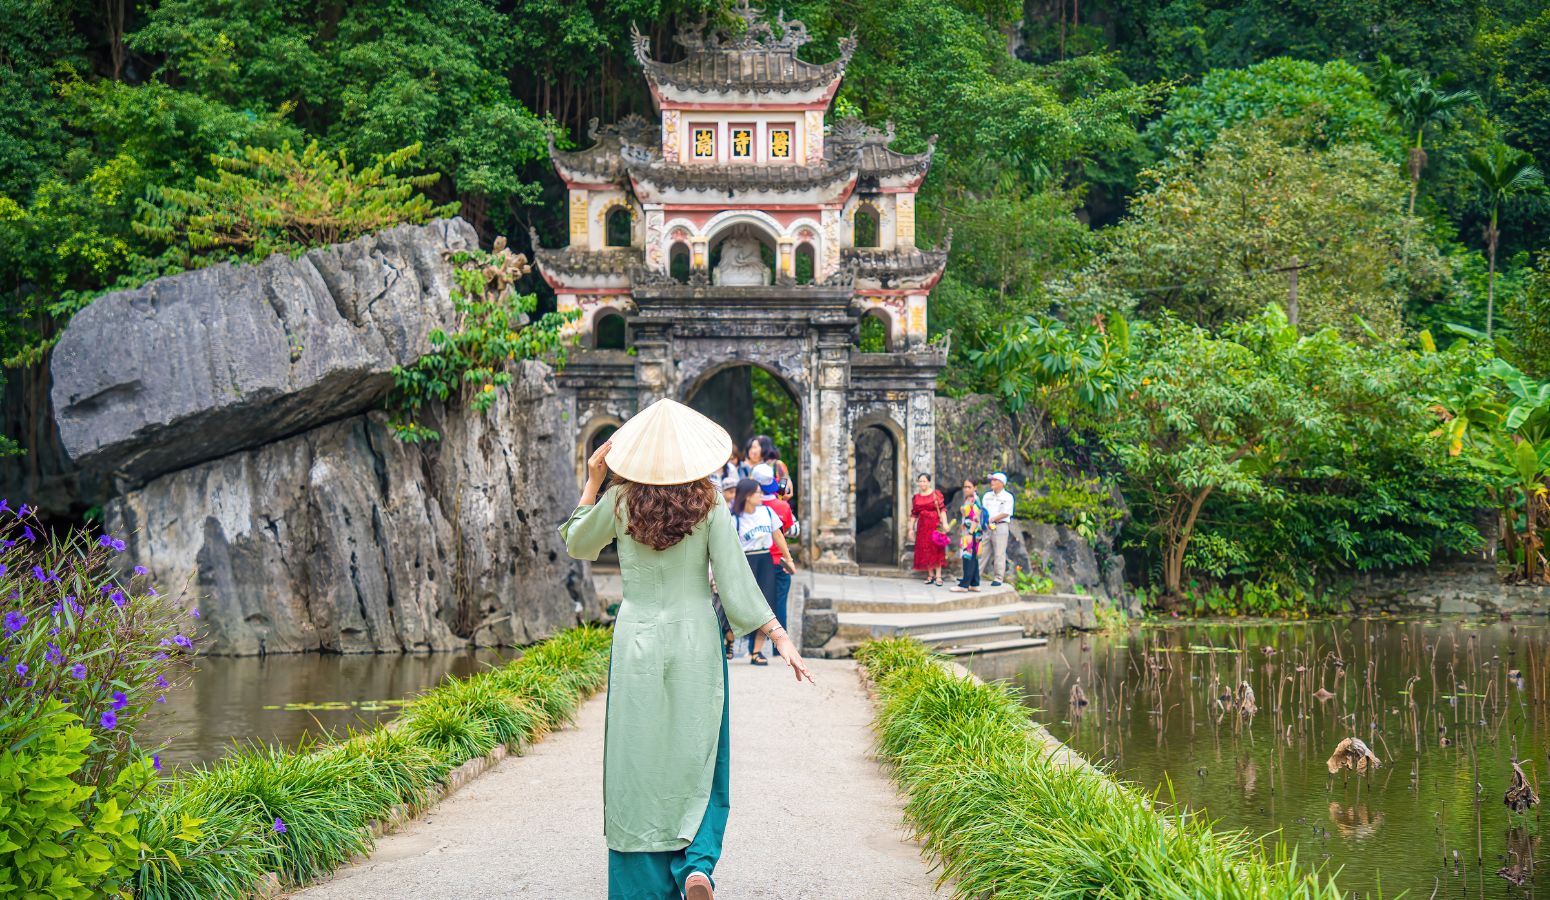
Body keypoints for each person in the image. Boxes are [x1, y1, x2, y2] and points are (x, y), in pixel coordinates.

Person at [560, 399, 813, 900]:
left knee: (638, 760)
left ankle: (640, 886)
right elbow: (735, 577)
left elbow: (578, 544)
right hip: (696, 638)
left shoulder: (619, 501)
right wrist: (777, 634)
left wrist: (594, 480)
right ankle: (696, 864)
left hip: (636, 640)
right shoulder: (710, 503)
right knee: (701, 752)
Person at [732, 474, 797, 666]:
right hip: (745, 561)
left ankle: (757, 651)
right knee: (740, 604)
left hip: (765, 559)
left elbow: (778, 535)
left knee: (766, 604)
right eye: (757, 493)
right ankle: (729, 642)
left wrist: (789, 558)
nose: (761, 496)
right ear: (746, 496)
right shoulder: (734, 518)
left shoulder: (767, 512)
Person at [749, 463, 795, 660]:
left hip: (759, 561)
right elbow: (791, 531)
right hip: (779, 561)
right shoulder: (782, 506)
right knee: (780, 604)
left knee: (756, 605)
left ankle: (754, 648)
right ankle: (779, 648)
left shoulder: (752, 508)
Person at [909, 473, 948, 586]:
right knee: (926, 549)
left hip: (935, 525)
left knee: (936, 549)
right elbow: (914, 514)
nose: (922, 483)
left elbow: (942, 510)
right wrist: (910, 529)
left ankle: (939, 576)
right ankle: (930, 575)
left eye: (924, 481)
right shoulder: (916, 497)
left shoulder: (936, 494)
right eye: (920, 481)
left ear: (929, 482)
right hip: (922, 527)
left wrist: (945, 523)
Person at [951, 479, 986, 593]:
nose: (966, 489)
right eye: (965, 487)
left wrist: (970, 532)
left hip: (972, 532)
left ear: (975, 487)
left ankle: (964, 585)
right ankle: (974, 583)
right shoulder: (969, 499)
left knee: (968, 558)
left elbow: (976, 518)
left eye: (969, 487)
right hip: (970, 531)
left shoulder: (975, 500)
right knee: (973, 558)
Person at [982, 472, 1015, 587]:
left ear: (1002, 483)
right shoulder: (987, 496)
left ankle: (998, 577)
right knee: (982, 551)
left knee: (999, 553)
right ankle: (976, 574)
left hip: (1000, 525)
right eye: (992, 480)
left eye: (995, 480)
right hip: (987, 526)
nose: (992, 482)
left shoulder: (1008, 497)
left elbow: (1006, 513)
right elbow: (983, 510)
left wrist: (993, 519)